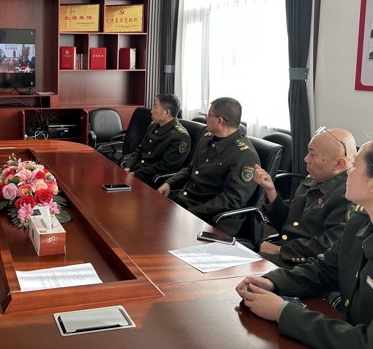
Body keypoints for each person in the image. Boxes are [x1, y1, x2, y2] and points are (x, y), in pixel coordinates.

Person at [236, 141, 373, 348]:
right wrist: (272, 282)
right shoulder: (358, 222)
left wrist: (283, 312)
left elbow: (365, 342)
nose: (348, 173)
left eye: (354, 167)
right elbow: (324, 270)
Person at [254, 127, 356, 268]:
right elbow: (288, 223)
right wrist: (270, 190)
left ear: (339, 164)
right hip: (285, 251)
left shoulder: (349, 195)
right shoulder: (316, 179)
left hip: (306, 264)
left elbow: (329, 244)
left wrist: (281, 250)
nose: (306, 158)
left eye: (313, 154)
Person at [157, 97, 259, 236]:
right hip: (188, 203)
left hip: (212, 217)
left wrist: (191, 213)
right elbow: (192, 169)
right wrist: (169, 183)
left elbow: (231, 200)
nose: (206, 119)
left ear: (219, 120)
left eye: (208, 115)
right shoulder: (207, 138)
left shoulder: (244, 155)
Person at [123, 94, 191, 186]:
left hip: (151, 180)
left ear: (166, 112)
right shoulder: (153, 126)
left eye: (155, 107)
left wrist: (135, 174)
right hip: (137, 171)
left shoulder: (180, 136)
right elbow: (140, 149)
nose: (151, 111)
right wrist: (127, 166)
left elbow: (165, 167)